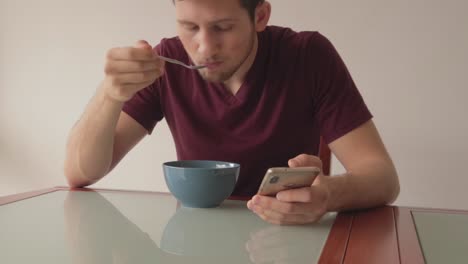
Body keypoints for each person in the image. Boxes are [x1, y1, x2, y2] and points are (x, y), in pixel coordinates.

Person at [64, 0, 400, 225]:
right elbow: (80, 174)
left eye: (222, 27)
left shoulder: (307, 56)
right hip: (195, 239)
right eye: (189, 27)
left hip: (285, 244)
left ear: (260, 16)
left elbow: (383, 179)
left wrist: (327, 195)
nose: (204, 48)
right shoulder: (165, 61)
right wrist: (108, 94)